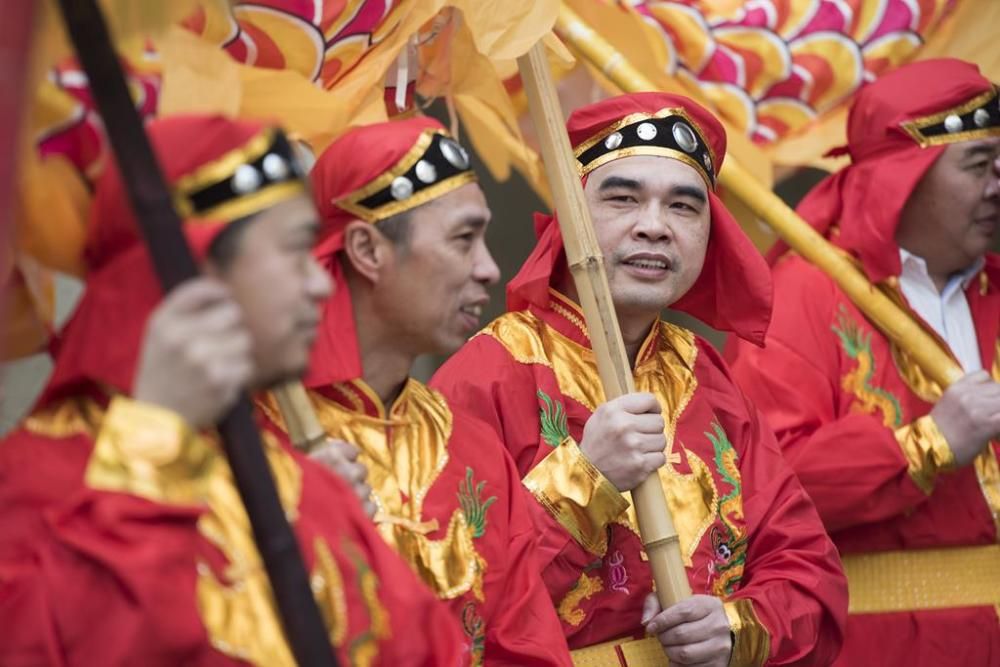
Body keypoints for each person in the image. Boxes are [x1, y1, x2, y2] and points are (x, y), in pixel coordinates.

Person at [0, 115, 466, 666]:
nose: (320, 278)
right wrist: (148, 456)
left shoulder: (305, 486)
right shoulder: (36, 486)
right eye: (295, 248)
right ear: (195, 275)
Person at [432, 92, 847, 666]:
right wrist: (582, 481)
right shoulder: (488, 374)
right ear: (568, 218)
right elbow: (444, 606)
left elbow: (810, 575)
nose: (654, 227)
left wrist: (732, 627)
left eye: (683, 206)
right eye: (623, 198)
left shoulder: (706, 374)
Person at [261, 116, 573, 666]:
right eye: (463, 239)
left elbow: (525, 650)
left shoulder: (472, 450)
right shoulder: (251, 437)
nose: (489, 268)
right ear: (367, 249)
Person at [726, 58, 1000, 665]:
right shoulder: (802, 297)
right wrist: (926, 445)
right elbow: (759, 484)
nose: (999, 183)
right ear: (904, 178)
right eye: (979, 164)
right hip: (874, 646)